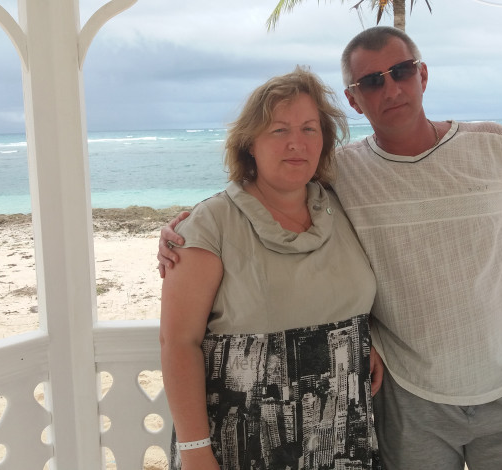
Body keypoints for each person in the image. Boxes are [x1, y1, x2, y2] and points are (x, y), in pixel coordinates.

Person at [159, 27, 502, 470]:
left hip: (465, 405)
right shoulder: (331, 179)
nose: (391, 88)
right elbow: (182, 332)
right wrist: (183, 229)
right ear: (354, 99)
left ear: (422, 74)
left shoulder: (488, 148)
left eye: (401, 71)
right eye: (372, 81)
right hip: (368, 414)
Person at [159, 67, 382, 470]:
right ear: (250, 144)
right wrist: (194, 451)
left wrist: (368, 341)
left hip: (342, 439)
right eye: (279, 130)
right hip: (244, 445)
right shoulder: (211, 223)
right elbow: (178, 342)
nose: (296, 143)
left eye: (309, 129)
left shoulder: (344, 205)